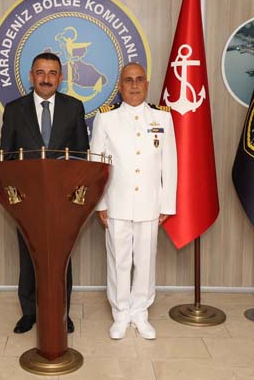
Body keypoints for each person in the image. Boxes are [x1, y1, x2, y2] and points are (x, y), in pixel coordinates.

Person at [0, 52, 89, 334]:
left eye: (52, 73)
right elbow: (6, 157)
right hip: (27, 200)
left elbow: (81, 155)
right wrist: (15, 196)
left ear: (60, 78)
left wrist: (74, 194)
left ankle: (62, 312)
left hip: (63, 200)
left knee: (61, 258)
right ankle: (29, 312)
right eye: (40, 72)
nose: (46, 79)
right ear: (31, 76)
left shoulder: (74, 107)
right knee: (29, 256)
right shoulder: (14, 109)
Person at [89, 63, 177, 340]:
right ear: (120, 86)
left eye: (139, 79)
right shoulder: (106, 119)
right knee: (119, 261)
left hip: (150, 203)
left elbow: (170, 163)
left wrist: (166, 204)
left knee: (146, 261)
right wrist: (100, 203)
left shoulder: (162, 118)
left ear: (147, 84)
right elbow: (97, 164)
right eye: (128, 80)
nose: (135, 85)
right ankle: (121, 314)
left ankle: (140, 313)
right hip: (117, 202)